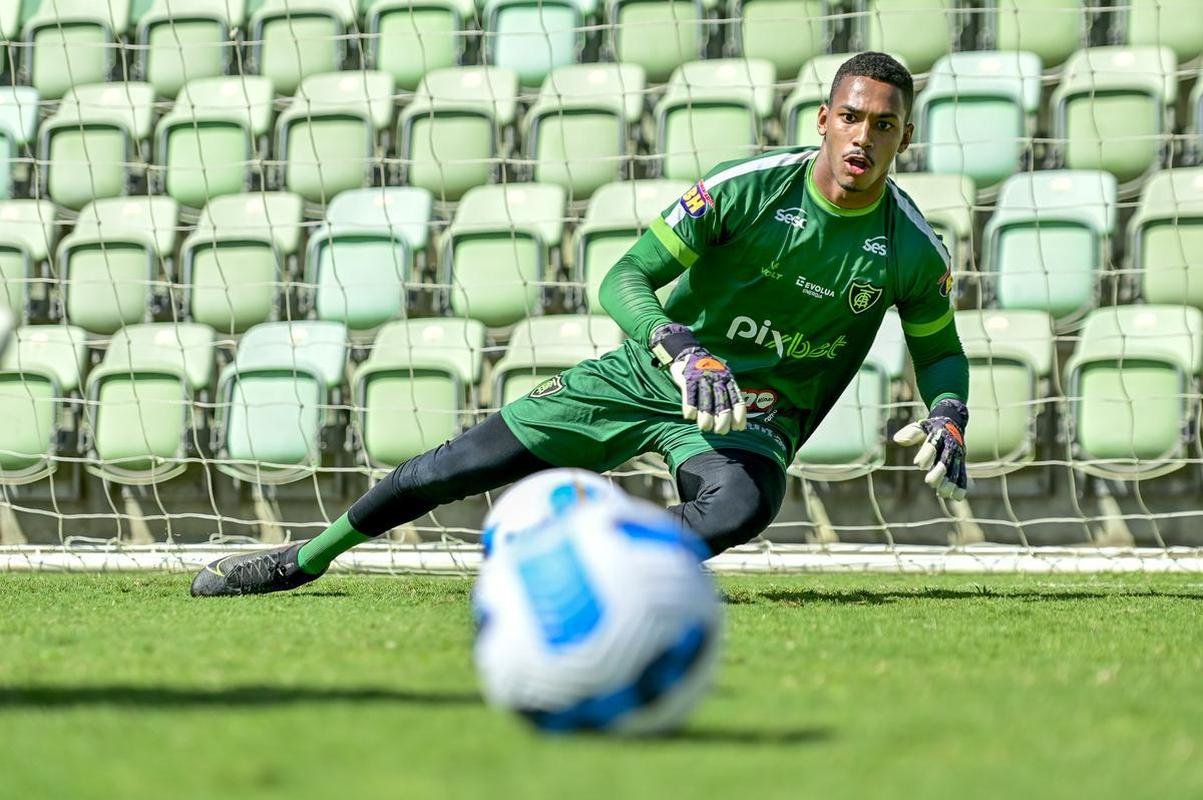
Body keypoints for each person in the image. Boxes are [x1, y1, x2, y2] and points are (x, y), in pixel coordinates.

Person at [191, 51, 970, 597]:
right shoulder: (746, 189)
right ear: (824, 118)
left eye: (883, 125)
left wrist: (948, 411)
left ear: (904, 136)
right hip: (646, 376)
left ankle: (601, 579)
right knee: (450, 467)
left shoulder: (908, 249)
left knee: (740, 510)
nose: (863, 137)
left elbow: (939, 352)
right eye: (850, 117)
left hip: (747, 413)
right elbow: (624, 276)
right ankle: (307, 558)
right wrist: (680, 349)